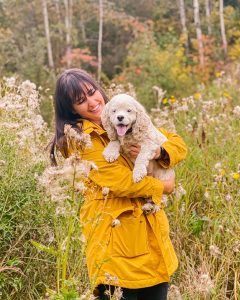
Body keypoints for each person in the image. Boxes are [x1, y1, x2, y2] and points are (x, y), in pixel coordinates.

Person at [50, 68, 187, 300]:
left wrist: (159, 152)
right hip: (114, 241)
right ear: (70, 109)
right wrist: (163, 187)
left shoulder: (125, 117)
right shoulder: (80, 138)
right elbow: (121, 182)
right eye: (80, 101)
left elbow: (177, 143)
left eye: (92, 92)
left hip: (149, 234)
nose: (92, 102)